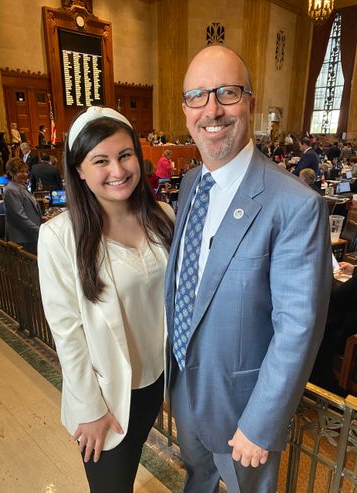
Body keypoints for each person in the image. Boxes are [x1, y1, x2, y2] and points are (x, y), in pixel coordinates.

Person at [164, 45, 332, 493]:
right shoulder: (190, 183)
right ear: (185, 111)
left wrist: (261, 422)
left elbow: (298, 325)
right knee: (197, 480)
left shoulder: (295, 205)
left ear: (251, 104)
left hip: (244, 409)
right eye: (198, 95)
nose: (212, 109)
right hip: (185, 387)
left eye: (228, 93)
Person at [37, 106, 174, 493]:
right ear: (79, 170)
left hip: (154, 383)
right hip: (106, 396)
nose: (118, 170)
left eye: (125, 155)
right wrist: (90, 409)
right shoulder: (60, 236)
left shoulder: (162, 216)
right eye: (101, 160)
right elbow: (67, 332)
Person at [311, 261, 357, 395]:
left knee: (322, 331)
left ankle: (325, 389)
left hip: (350, 338)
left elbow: (336, 296)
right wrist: (353, 270)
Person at [3, 157, 42, 254]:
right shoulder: (11, 190)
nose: (25, 174)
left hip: (30, 236)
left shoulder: (21, 187)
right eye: (21, 171)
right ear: (11, 173)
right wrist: (40, 231)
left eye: (26, 171)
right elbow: (20, 217)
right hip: (23, 239)